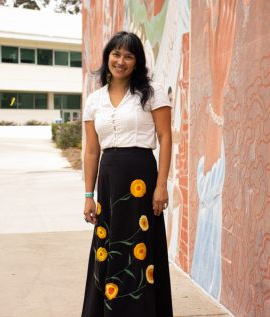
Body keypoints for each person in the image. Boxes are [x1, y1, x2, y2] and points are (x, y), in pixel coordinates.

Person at [81, 31, 173, 317]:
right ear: (108, 57)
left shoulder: (152, 92)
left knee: (139, 248)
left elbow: (165, 137)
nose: (121, 61)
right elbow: (92, 151)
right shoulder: (94, 100)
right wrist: (88, 195)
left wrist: (161, 186)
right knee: (108, 248)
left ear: (137, 62)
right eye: (116, 54)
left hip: (141, 181)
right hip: (109, 183)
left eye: (128, 56)